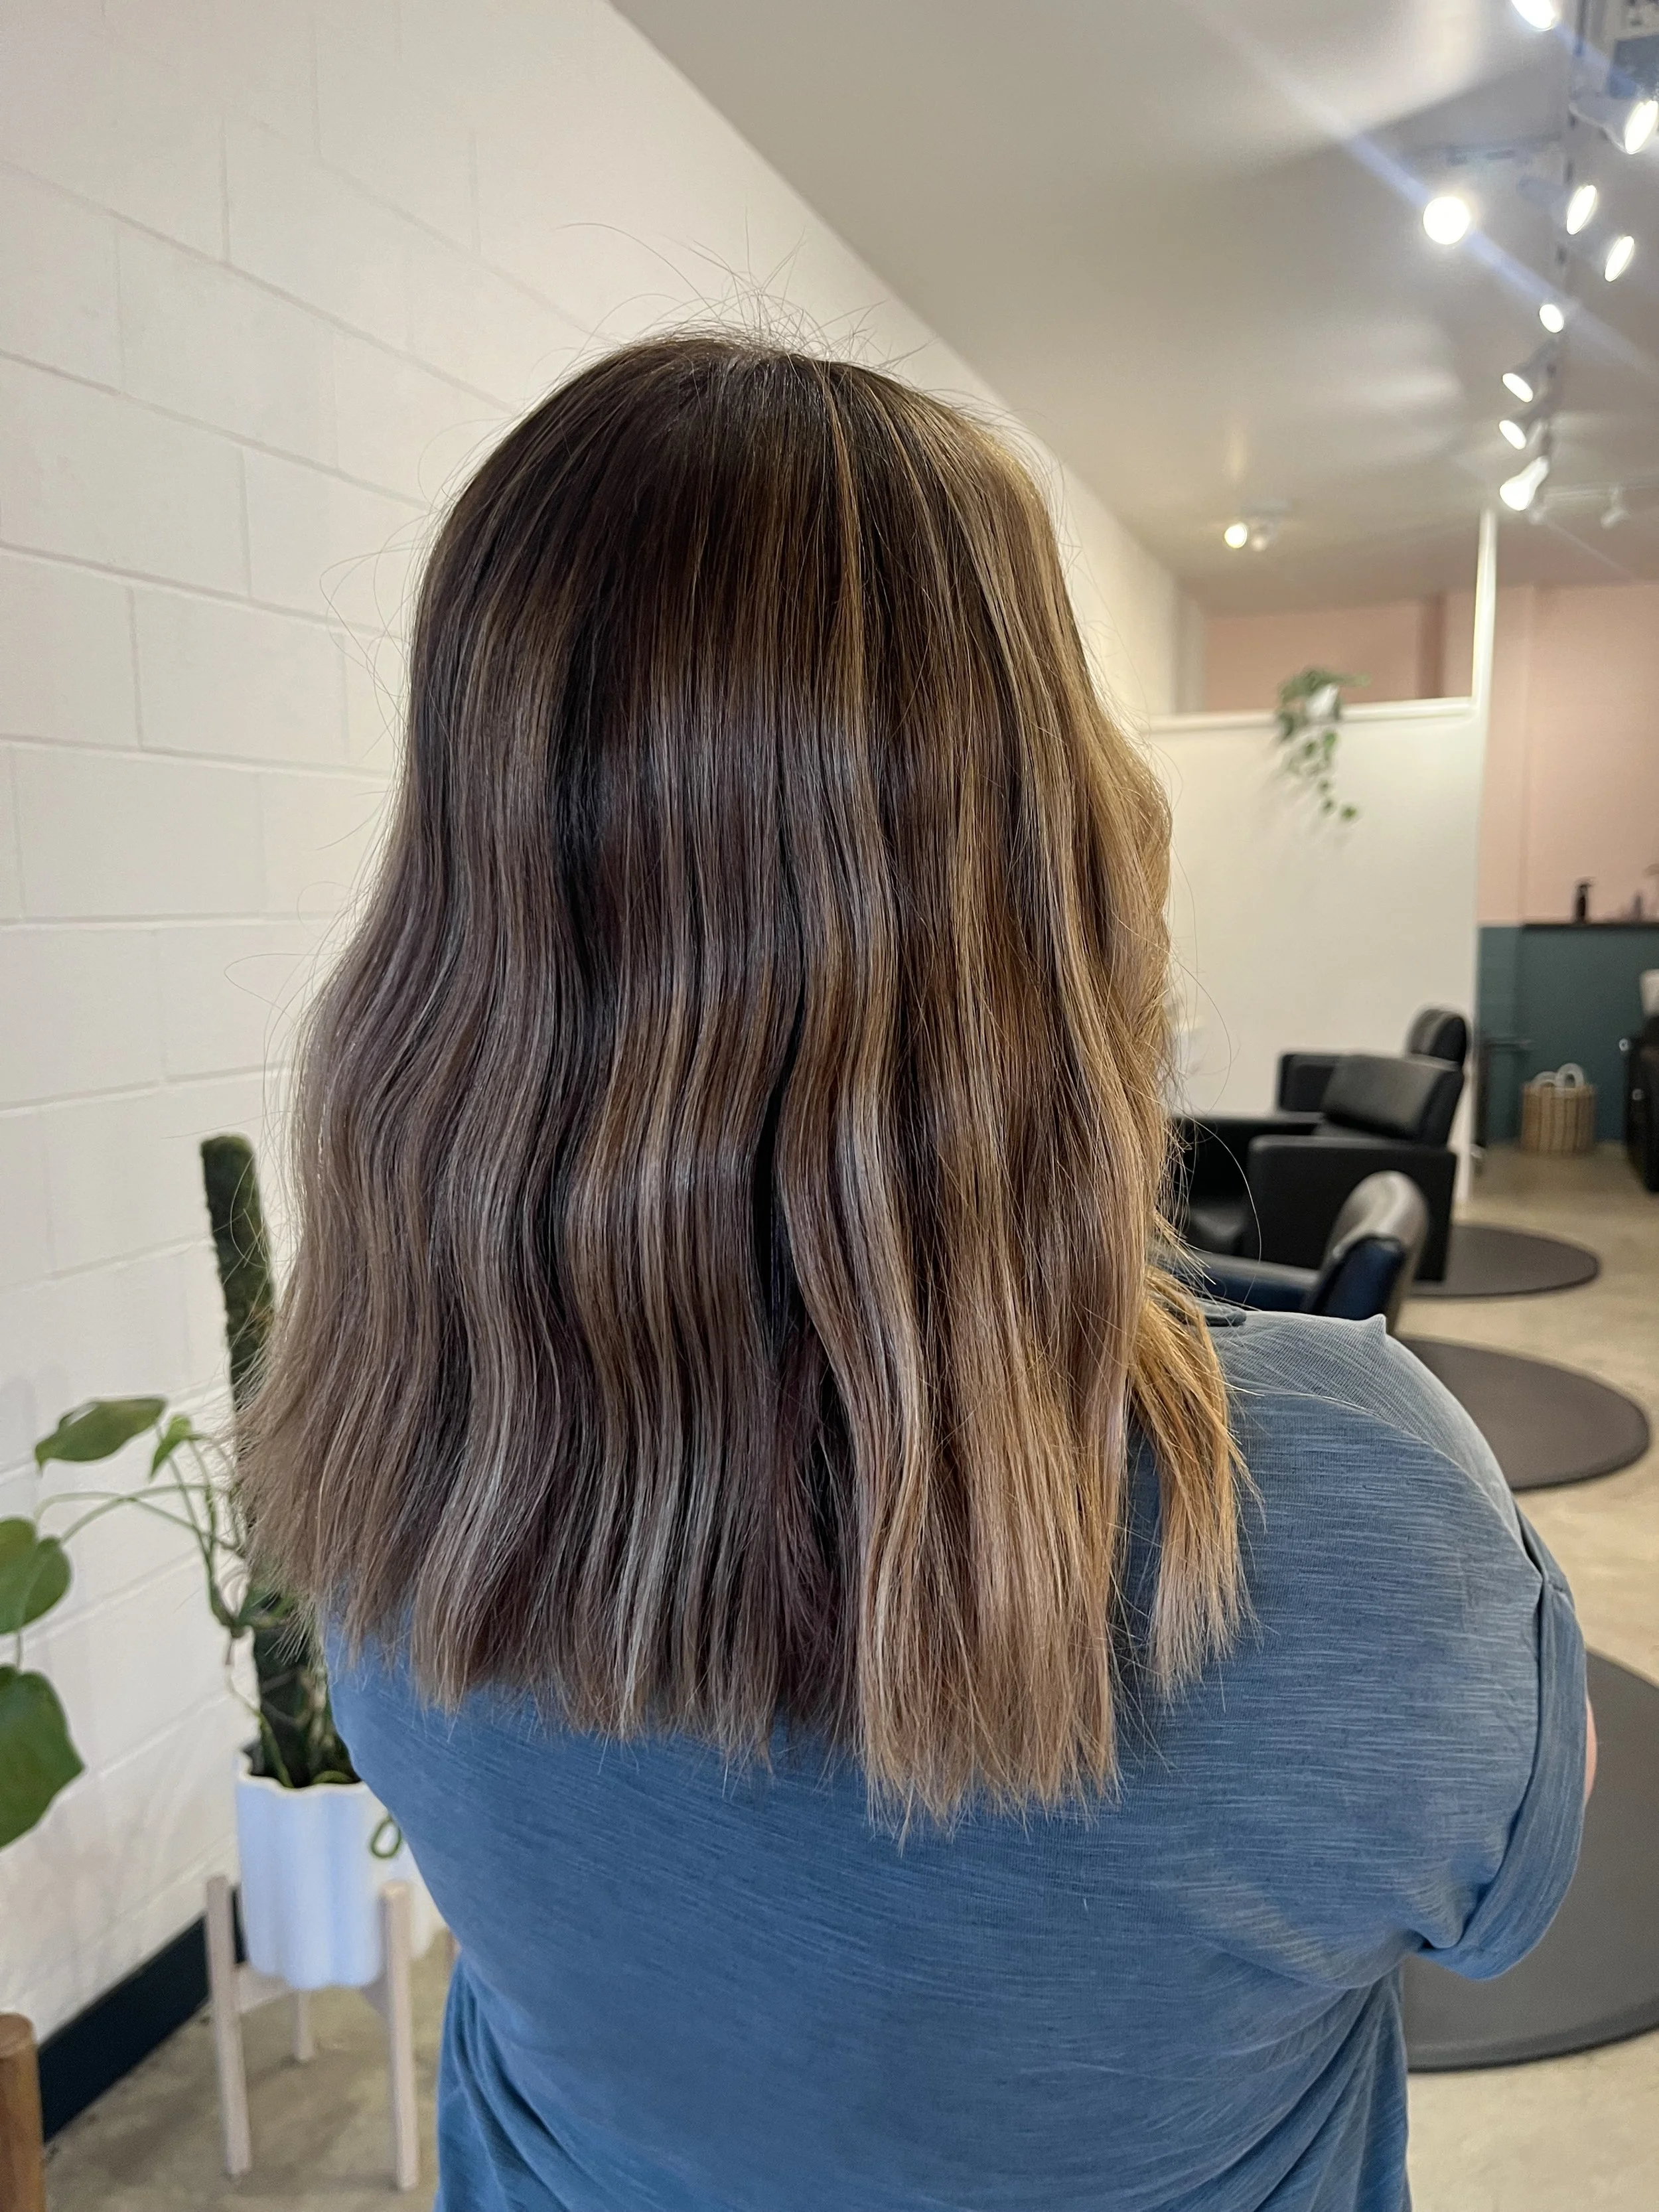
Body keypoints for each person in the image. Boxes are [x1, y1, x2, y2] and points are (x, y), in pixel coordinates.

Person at [242, 336, 1588, 2212]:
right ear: (1052, 856)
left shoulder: (381, 1442)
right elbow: (1504, 1904)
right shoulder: (1345, 1501)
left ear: (468, 896)